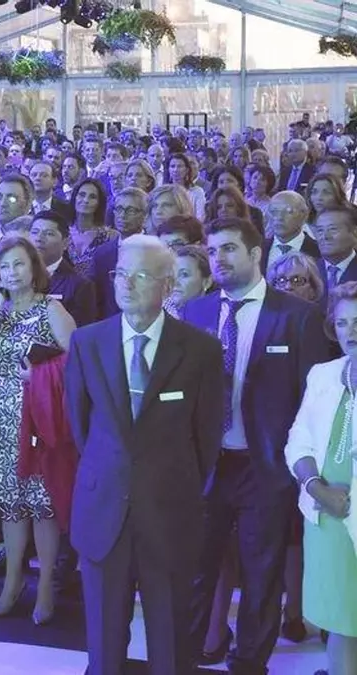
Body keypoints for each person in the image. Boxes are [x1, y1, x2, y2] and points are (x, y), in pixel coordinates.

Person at [65, 234, 224, 675]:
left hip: (170, 512)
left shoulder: (200, 350)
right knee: (103, 643)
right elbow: (80, 426)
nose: (126, 284)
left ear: (167, 285)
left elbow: (206, 436)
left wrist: (168, 479)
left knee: (169, 642)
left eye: (139, 276)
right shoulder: (87, 342)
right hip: (103, 510)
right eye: (120, 274)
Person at [182, 216, 330, 673]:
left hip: (265, 468)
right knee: (195, 570)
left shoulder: (298, 316)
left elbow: (312, 401)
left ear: (254, 253)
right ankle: (185, 658)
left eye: (228, 248)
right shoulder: (196, 312)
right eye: (212, 251)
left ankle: (249, 663)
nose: (218, 259)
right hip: (209, 465)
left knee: (261, 576)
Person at [0, 234, 75, 623]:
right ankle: (12, 582)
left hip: (39, 418)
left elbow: (80, 360)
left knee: (42, 506)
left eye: (19, 264)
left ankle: (45, 585)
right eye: (5, 266)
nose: (12, 272)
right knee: (11, 506)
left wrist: (41, 375)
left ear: (34, 269)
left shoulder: (51, 308)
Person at [285, 281, 357, 675]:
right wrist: (316, 488)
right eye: (342, 323)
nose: (351, 332)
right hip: (327, 519)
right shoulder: (324, 374)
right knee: (341, 616)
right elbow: (298, 439)